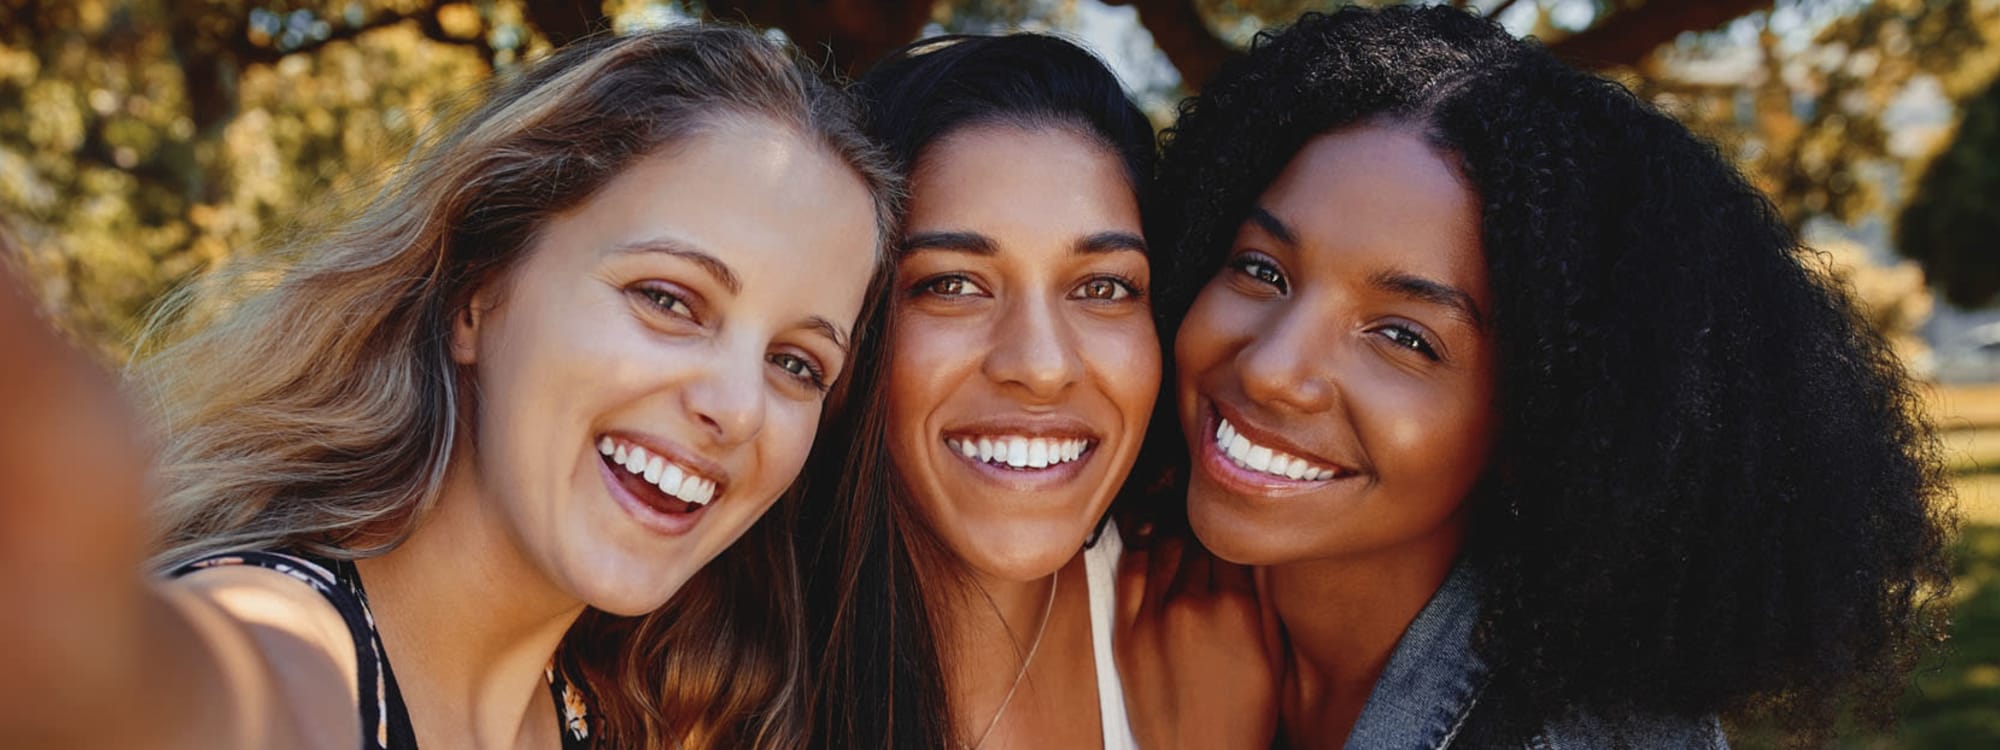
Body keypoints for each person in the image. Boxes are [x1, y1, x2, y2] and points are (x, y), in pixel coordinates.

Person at [0, 25, 897, 750]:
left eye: (797, 364)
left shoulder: (634, 718)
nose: (737, 409)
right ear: (477, 293)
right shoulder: (292, 641)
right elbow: (183, 689)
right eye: (668, 299)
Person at [1126, 5, 1956, 748]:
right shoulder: (1113, 598)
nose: (1272, 369)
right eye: (1262, 271)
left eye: (1405, 337)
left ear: (1541, 421)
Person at [796, 34, 1162, 749]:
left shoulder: (1198, 637)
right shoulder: (687, 682)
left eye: (1103, 287)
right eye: (951, 285)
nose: (1042, 364)